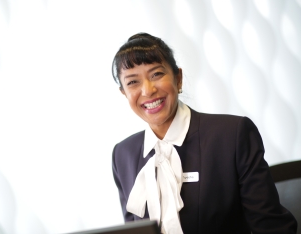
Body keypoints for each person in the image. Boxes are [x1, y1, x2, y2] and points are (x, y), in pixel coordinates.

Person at [111, 33, 297, 234]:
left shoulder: (231, 135)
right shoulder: (123, 154)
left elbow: (274, 229)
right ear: (124, 93)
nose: (147, 91)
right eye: (132, 82)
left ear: (178, 79)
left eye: (156, 74)